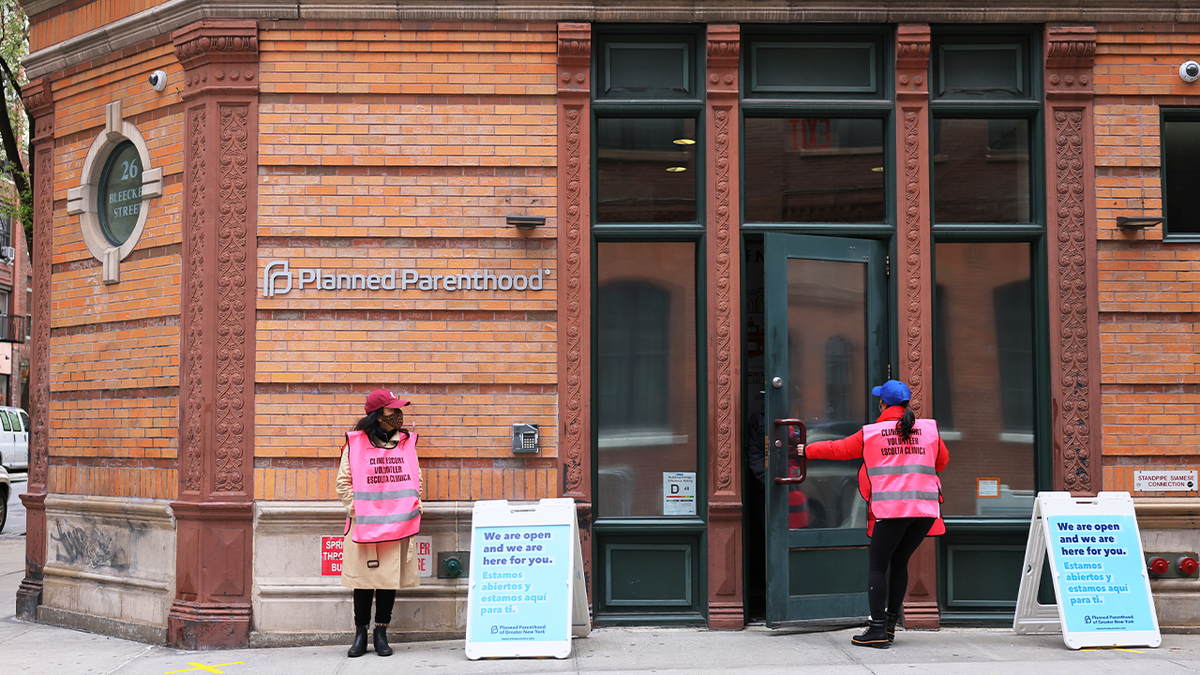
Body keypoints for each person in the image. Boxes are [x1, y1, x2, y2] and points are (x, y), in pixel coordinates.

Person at [801, 379, 948, 649]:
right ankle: (889, 625)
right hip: (925, 510)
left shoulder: (872, 433)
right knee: (900, 561)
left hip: (893, 510)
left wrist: (805, 450)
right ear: (906, 404)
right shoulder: (929, 430)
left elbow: (839, 450)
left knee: (878, 566)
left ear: (882, 404)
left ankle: (878, 628)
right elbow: (942, 461)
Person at [336, 389, 423, 657]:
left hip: (397, 525)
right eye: (392, 410)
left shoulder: (406, 442)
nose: (398, 415)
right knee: (363, 582)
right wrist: (360, 510)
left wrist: (411, 506)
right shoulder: (356, 443)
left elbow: (415, 479)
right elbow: (344, 483)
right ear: (377, 415)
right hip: (364, 525)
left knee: (387, 581)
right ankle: (360, 634)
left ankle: (381, 633)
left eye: (399, 410)